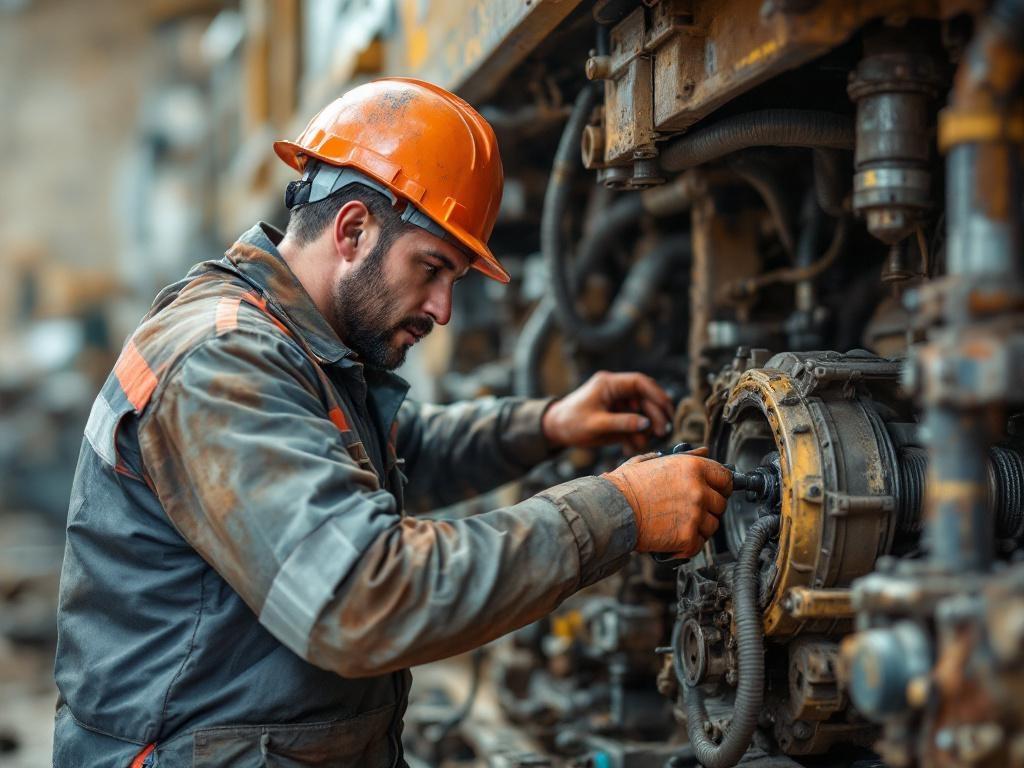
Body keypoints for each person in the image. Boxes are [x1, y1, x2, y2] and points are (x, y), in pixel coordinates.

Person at [53, 78, 733, 767]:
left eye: (455, 280)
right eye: (432, 268)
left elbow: (397, 453)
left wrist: (549, 423)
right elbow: (363, 598)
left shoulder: (288, 344)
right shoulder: (222, 362)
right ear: (352, 231)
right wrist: (619, 510)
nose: (442, 310)